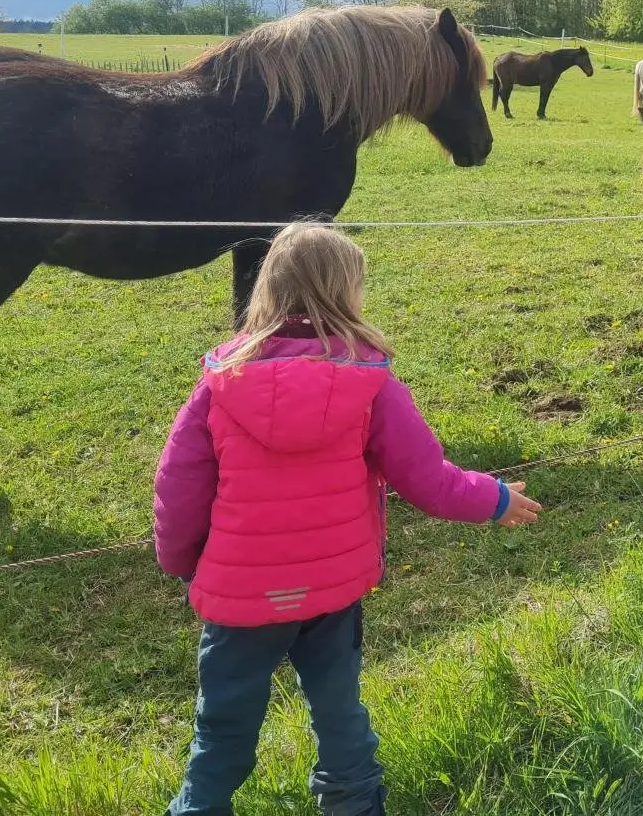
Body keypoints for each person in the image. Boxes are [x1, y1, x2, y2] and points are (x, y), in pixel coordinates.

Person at [153, 222, 542, 816]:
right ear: (345, 293)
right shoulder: (371, 384)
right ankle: (355, 806)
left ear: (269, 288)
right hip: (331, 592)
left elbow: (177, 489)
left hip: (239, 596)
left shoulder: (218, 383)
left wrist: (184, 565)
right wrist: (493, 497)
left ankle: (200, 807)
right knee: (339, 715)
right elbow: (427, 479)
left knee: (221, 730)